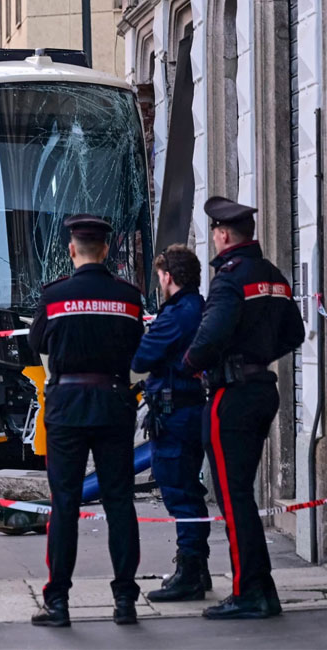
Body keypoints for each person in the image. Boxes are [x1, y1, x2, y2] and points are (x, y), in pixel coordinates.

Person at [184, 196, 305, 619]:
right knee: (243, 496)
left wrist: (190, 364)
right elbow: (296, 333)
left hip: (230, 396)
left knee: (234, 499)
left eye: (215, 233)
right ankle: (261, 588)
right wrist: (259, 355)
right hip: (262, 389)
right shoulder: (272, 275)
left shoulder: (230, 279)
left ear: (222, 234)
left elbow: (211, 335)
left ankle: (250, 590)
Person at [27, 214, 144, 628]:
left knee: (64, 505)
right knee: (119, 503)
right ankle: (126, 601)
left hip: (67, 407)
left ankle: (58, 601)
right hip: (113, 404)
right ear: (107, 250)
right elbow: (138, 348)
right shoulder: (129, 298)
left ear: (72, 249)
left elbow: (36, 342)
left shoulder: (55, 295)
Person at [131, 244, 211, 601]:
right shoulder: (196, 306)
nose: (159, 282)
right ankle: (196, 567)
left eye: (161, 276)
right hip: (187, 408)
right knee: (187, 490)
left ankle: (190, 572)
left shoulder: (178, 313)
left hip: (176, 412)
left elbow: (144, 355)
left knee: (179, 490)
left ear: (169, 277)